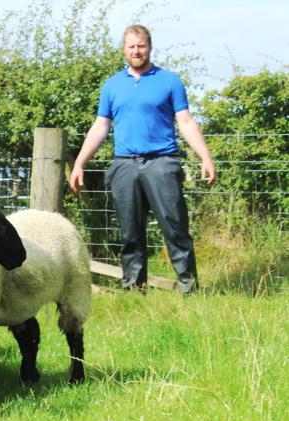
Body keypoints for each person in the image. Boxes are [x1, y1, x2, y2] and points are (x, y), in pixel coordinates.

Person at [69, 24, 216, 294]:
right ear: (124, 49)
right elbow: (100, 127)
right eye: (131, 46)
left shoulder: (169, 81)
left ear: (150, 47)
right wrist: (79, 163)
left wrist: (205, 157)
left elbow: (185, 122)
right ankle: (134, 290)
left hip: (163, 163)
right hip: (125, 165)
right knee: (130, 234)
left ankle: (189, 288)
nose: (136, 51)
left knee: (175, 229)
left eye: (141, 46)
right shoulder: (112, 85)